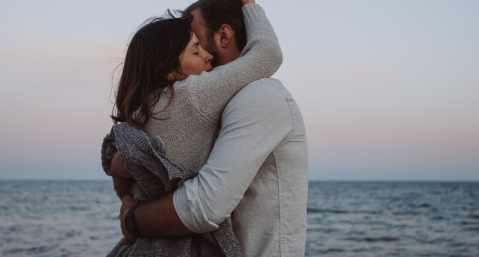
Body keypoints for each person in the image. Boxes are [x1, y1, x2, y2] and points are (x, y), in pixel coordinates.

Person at [108, 0, 293, 255]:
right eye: (196, 51)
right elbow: (268, 54)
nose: (207, 55)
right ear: (169, 70)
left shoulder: (141, 110)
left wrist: (126, 203)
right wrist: (249, 4)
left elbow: (114, 161)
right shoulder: (193, 95)